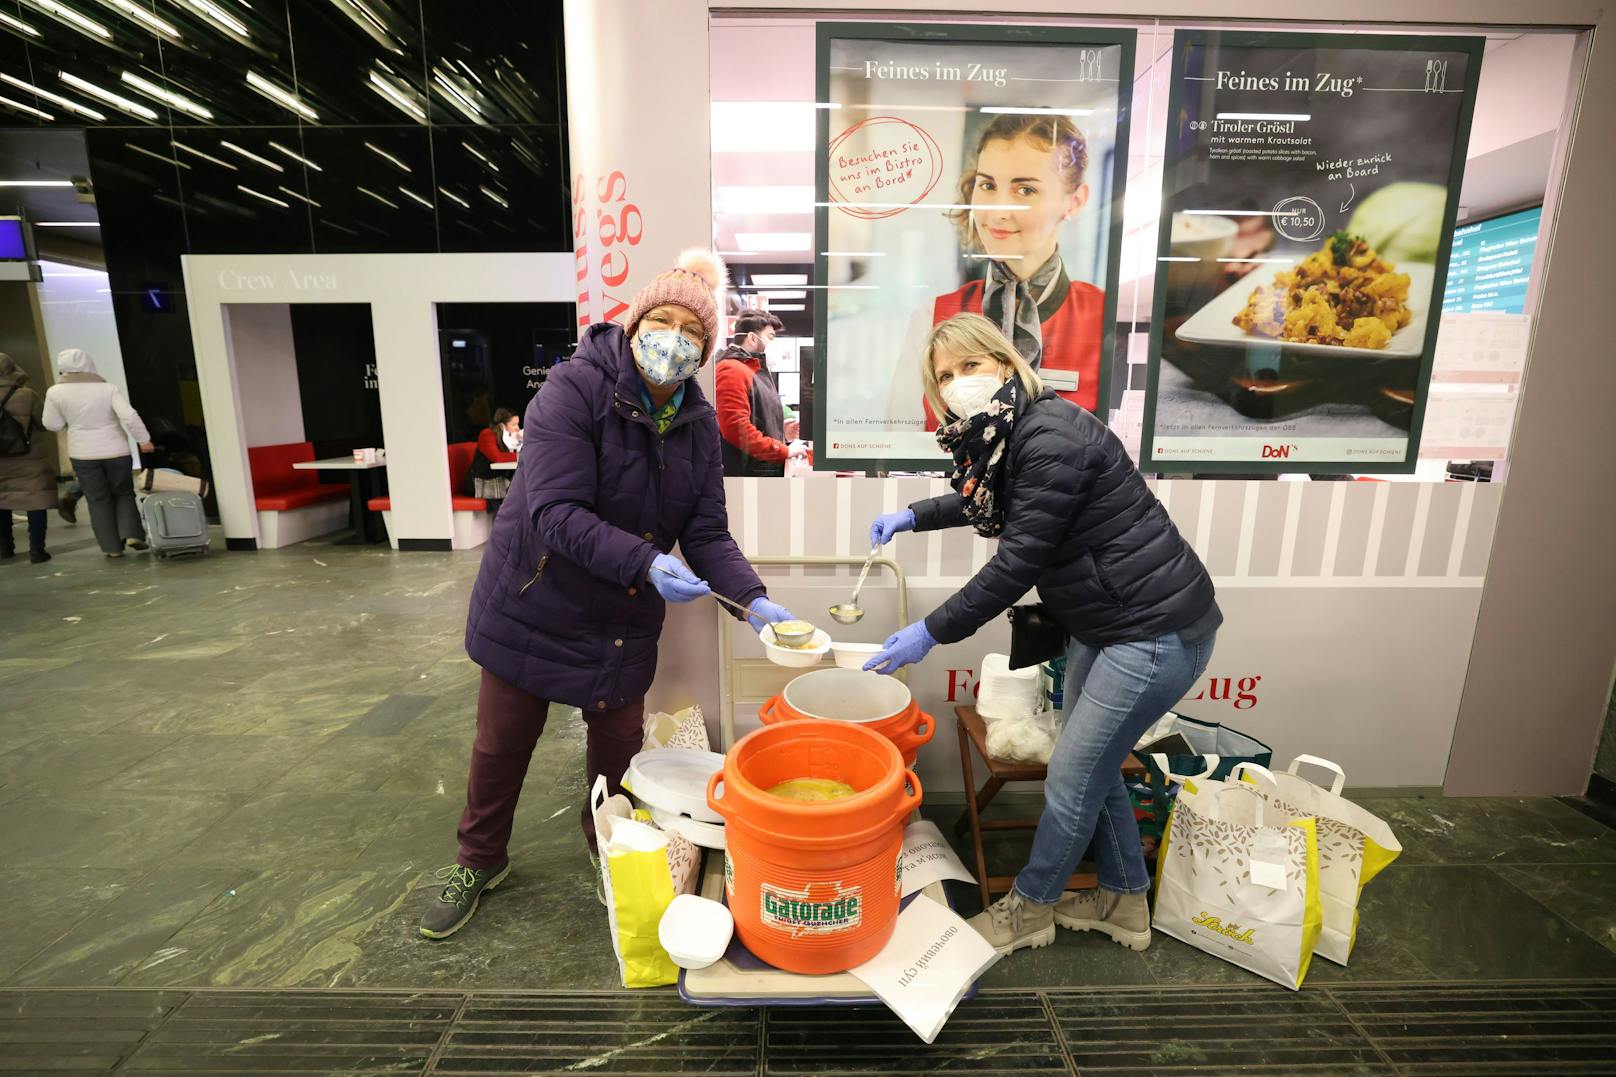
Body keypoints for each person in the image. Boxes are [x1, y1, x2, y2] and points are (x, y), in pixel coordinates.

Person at [420, 250, 798, 940]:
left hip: (618, 616)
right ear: (632, 325)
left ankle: (611, 851)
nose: (673, 338)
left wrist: (754, 600)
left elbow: (708, 533)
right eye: (661, 319)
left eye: (691, 330)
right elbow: (554, 512)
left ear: (706, 348)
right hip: (533, 598)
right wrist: (650, 563)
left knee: (618, 748)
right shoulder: (571, 390)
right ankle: (479, 860)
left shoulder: (698, 428)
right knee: (503, 741)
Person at [865, 313, 1221, 958]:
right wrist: (914, 515)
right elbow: (995, 498)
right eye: (944, 376)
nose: (957, 384)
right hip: (1106, 624)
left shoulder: (1049, 433)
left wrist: (931, 631)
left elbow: (1018, 559)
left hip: (1152, 631)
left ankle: (1029, 910)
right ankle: (1123, 901)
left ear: (1005, 362)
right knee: (1093, 767)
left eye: (970, 365)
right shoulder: (1012, 433)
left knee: (1070, 776)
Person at [891, 112, 1106, 429]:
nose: (997, 210)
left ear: (1074, 202)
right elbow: (898, 446)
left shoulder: (1104, 316)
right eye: (988, 185)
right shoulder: (932, 317)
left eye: (1025, 190)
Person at [41, 349, 154, 559]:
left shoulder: (55, 392)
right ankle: (132, 534)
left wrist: (71, 422)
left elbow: (51, 424)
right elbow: (129, 416)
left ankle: (112, 547)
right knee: (123, 493)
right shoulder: (107, 389)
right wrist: (144, 440)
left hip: (83, 454)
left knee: (97, 499)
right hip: (116, 451)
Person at [715, 308, 799, 477]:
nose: (775, 344)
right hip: (745, 475)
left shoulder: (753, 370)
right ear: (752, 338)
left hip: (758, 473)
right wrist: (781, 450)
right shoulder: (731, 370)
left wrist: (783, 433)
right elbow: (736, 429)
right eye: (771, 337)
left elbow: (757, 418)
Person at [0, 354, 55, 564]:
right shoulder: (27, 395)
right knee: (35, 502)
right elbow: (43, 423)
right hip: (29, 457)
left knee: (2, 501)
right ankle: (37, 551)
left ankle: (5, 548)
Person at [469, 408, 520, 516]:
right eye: (514, 425)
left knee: (520, 491)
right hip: (483, 480)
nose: (517, 428)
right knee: (515, 495)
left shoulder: (510, 438)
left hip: (499, 477)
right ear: (502, 425)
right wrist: (521, 455)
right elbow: (498, 458)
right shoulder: (487, 434)